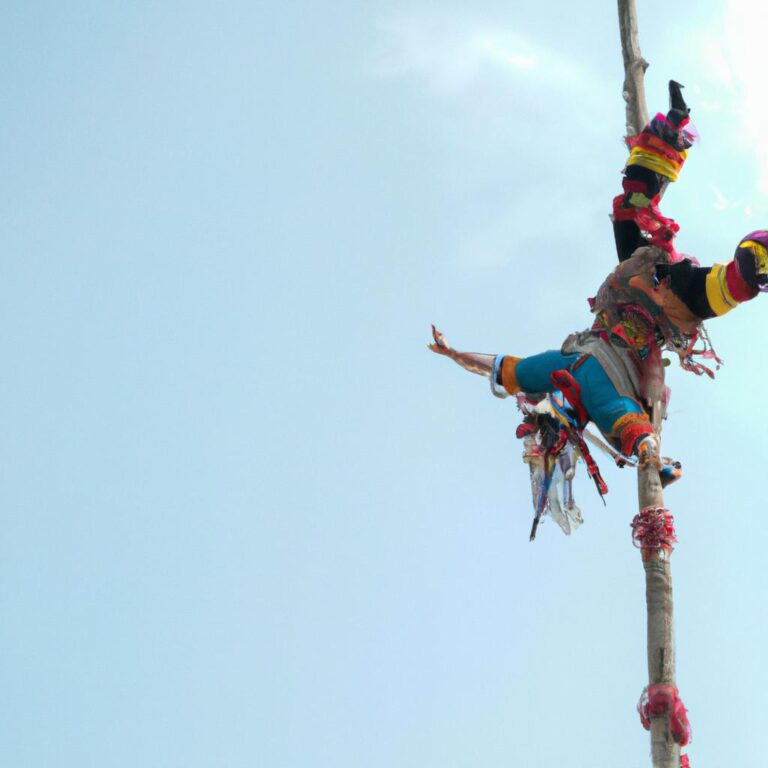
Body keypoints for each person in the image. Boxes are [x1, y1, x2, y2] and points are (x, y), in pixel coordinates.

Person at [429, 82, 768, 476]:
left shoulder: (553, 369)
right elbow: (636, 434)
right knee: (737, 278)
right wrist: (653, 461)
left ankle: (671, 132)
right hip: (670, 308)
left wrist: (455, 354)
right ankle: (757, 263)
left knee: (629, 207)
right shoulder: (604, 405)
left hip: (633, 283)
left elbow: (503, 369)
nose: (561, 409)